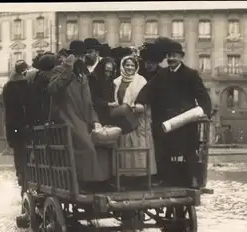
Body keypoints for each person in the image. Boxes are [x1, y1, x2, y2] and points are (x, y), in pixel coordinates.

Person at [136, 38, 212, 188]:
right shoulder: (162, 74)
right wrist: (140, 101)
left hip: (185, 120)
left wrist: (205, 111)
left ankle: (192, 179)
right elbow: (148, 89)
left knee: (189, 149)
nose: (171, 59)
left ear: (181, 57)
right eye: (169, 56)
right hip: (165, 119)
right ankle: (166, 179)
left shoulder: (190, 74)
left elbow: (202, 95)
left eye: (175, 56)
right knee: (163, 149)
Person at [47, 40, 108, 192]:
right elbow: (53, 89)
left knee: (100, 145)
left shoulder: (82, 75)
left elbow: (89, 102)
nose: (80, 59)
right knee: (87, 147)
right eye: (77, 55)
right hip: (65, 118)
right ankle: (88, 183)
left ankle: (100, 180)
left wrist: (95, 121)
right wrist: (67, 68)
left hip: (82, 118)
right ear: (70, 56)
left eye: (83, 55)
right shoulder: (60, 70)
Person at [113, 54, 157, 186]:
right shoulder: (116, 82)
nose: (130, 68)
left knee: (139, 147)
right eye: (127, 65)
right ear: (123, 66)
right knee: (125, 146)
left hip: (138, 118)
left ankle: (142, 178)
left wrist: (139, 106)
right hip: (122, 117)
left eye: (132, 65)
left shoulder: (141, 81)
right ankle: (126, 176)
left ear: (136, 67)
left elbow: (147, 98)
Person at [2, 60, 30, 195]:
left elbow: (8, 111)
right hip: (28, 126)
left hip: (14, 128)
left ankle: (21, 180)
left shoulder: (8, 87)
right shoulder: (27, 85)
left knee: (19, 157)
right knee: (29, 156)